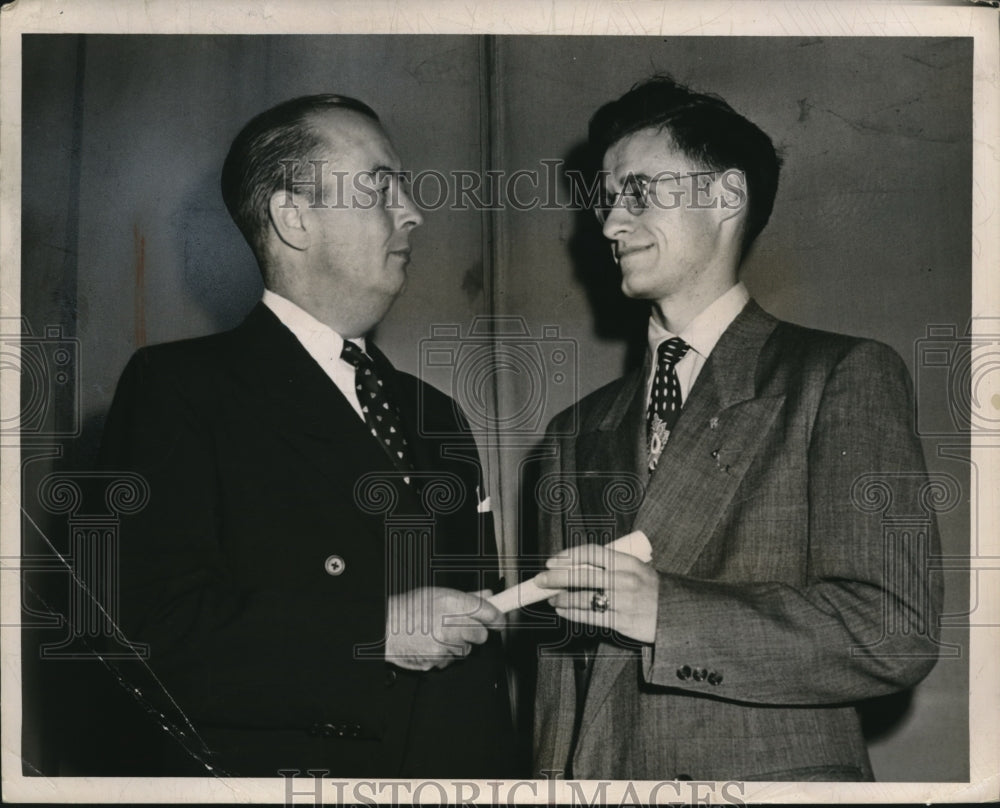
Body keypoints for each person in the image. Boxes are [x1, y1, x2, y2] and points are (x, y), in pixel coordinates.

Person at [531, 76, 942, 782]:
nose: (608, 225)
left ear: (725, 196)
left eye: (638, 193)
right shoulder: (572, 434)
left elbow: (894, 631)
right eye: (606, 201)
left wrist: (669, 612)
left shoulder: (840, 376)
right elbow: (560, 684)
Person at [98, 94, 515, 777]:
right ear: (294, 218)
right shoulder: (179, 390)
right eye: (382, 186)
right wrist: (373, 634)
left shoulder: (437, 413)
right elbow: (149, 635)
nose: (414, 211)